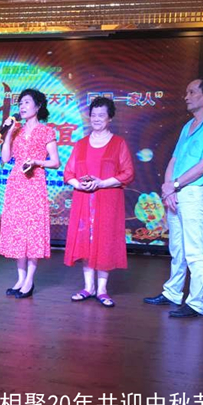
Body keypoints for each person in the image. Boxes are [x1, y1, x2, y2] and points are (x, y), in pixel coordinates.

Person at [143, 79, 203, 318]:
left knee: (194, 249)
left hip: (194, 192)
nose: (186, 97)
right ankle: (173, 292)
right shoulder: (187, 126)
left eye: (192, 92)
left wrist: (175, 185)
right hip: (176, 192)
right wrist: (168, 189)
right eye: (186, 92)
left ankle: (196, 303)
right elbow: (174, 159)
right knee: (177, 248)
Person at [64, 97, 135, 307]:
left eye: (101, 115)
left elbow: (128, 173)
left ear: (109, 118)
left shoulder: (118, 143)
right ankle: (89, 287)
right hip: (84, 200)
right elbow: (68, 173)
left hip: (107, 200)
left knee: (104, 240)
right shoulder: (81, 144)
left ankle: (102, 289)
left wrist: (102, 183)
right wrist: (79, 185)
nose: (96, 119)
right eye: (93, 115)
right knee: (85, 241)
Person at [0, 88, 60, 298]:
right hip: (16, 183)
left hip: (34, 183)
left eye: (26, 102)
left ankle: (29, 281)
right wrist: (8, 133)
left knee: (33, 231)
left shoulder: (46, 131)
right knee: (18, 231)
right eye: (20, 103)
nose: (22, 107)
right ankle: (20, 278)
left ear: (38, 106)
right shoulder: (16, 130)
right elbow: (5, 158)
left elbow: (55, 162)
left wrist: (36, 162)